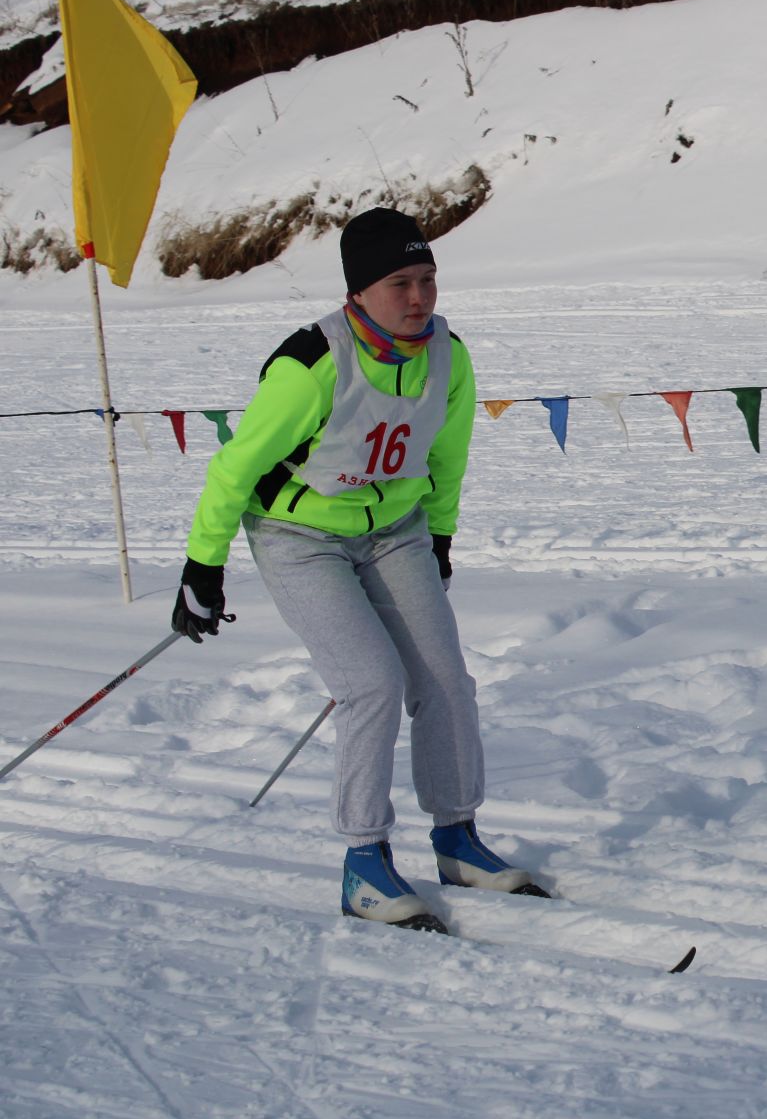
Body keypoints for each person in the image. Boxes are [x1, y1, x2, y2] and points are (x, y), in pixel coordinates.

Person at [171, 206, 546, 933]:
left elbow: (446, 455)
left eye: (428, 280)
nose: (418, 298)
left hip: (397, 530)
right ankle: (364, 862)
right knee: (371, 683)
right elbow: (233, 470)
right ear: (360, 291)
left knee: (445, 678)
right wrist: (202, 567)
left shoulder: (449, 355)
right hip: (298, 535)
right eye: (400, 282)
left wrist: (439, 538)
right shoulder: (311, 363)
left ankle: (457, 839)